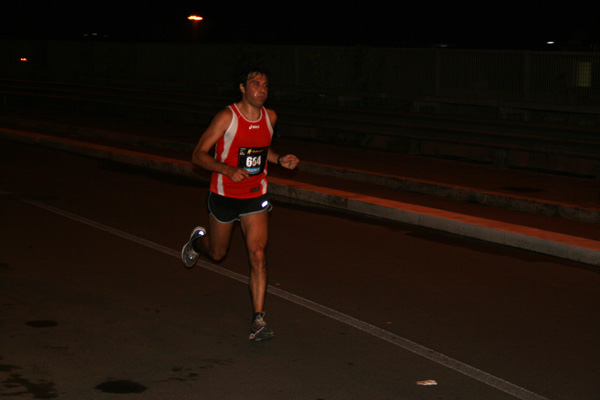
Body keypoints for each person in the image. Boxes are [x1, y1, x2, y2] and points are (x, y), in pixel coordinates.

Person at [181, 67, 299, 342]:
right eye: (256, 83)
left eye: (266, 85)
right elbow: (198, 155)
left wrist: (280, 160)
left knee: (258, 255)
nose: (262, 88)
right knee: (218, 252)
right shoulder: (227, 117)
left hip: (255, 195)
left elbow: (261, 149)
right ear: (243, 89)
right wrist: (226, 169)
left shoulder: (270, 117)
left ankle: (258, 320)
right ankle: (197, 242)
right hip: (223, 195)